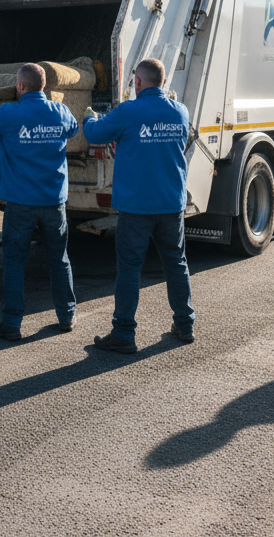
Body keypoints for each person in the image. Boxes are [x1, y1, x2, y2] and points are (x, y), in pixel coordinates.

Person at [81, 58, 195, 354]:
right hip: (171, 204)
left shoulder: (128, 112)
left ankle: (123, 334)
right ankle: (185, 324)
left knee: (130, 269)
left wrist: (89, 117)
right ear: (164, 82)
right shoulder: (180, 112)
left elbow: (94, 134)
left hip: (137, 207)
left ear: (139, 83)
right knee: (176, 263)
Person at [0, 63, 80, 340]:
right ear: (45, 86)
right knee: (59, 260)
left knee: (15, 262)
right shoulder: (59, 112)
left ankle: (12, 324)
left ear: (20, 86)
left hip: (20, 203)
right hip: (53, 202)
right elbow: (73, 129)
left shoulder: (9, 114)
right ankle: (66, 316)